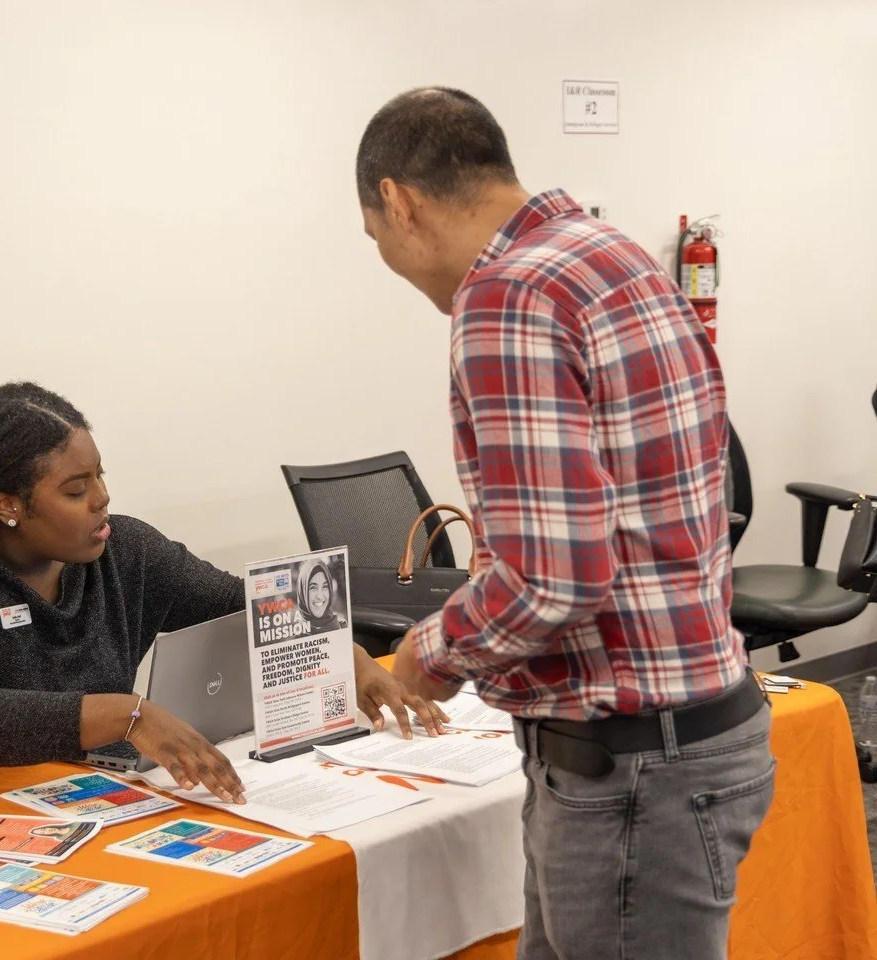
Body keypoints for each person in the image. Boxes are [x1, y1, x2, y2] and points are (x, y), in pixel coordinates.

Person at [355, 88, 772, 958]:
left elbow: (555, 578)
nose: (390, 260)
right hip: (683, 734)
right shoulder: (609, 254)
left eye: (377, 239)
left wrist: (427, 654)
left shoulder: (507, 297)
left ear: (400, 202)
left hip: (631, 769)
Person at [0, 382, 447, 802]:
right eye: (74, 489)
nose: (102, 499)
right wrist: (128, 714)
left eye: (100, 476)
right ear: (7, 504)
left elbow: (244, 607)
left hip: (64, 793)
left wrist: (346, 656)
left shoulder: (121, 551)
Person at [295, 556, 347, 634]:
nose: (320, 596)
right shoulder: (295, 634)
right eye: (313, 587)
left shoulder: (342, 625)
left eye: (325, 586)